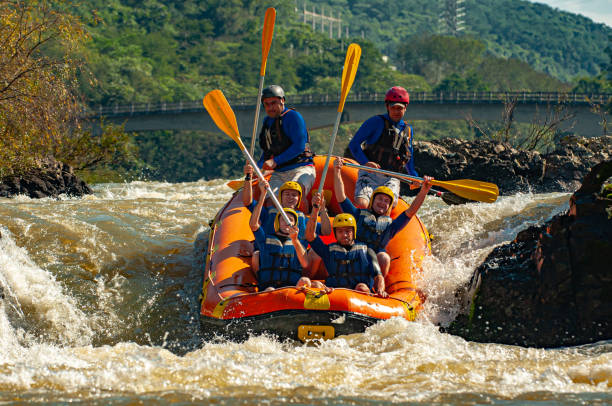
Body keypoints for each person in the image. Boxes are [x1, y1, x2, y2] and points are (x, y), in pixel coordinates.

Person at [333, 158, 433, 278]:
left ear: (389, 206)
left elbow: (411, 212)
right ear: (372, 201)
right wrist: (337, 171)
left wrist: (424, 191)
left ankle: (378, 287)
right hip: (354, 257)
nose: (382, 203)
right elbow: (341, 197)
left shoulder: (391, 226)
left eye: (386, 201)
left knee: (384, 257)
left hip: (373, 265)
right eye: (379, 199)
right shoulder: (358, 214)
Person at [346, 86, 418, 209]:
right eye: (393, 107)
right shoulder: (375, 122)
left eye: (399, 108)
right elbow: (354, 145)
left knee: (387, 207)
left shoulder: (408, 130)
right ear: (387, 106)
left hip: (392, 177)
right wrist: (366, 163)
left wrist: (414, 176)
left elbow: (408, 156)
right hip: (370, 174)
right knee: (362, 204)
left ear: (405, 108)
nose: (396, 111)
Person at [301, 209, 387, 297]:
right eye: (340, 231)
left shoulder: (367, 251)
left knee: (362, 287)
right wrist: (315, 209)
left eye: (348, 231)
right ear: (335, 234)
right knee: (316, 285)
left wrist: (380, 290)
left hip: (359, 293)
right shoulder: (328, 251)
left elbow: (378, 276)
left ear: (354, 232)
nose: (344, 235)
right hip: (334, 292)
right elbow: (310, 236)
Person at [242, 163, 331, 247]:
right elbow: (248, 202)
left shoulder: (303, 219)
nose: (290, 197)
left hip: (294, 258)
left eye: (294, 195)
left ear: (299, 200)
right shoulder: (269, 213)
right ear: (281, 197)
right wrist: (248, 177)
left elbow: (326, 231)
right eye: (287, 194)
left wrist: (322, 208)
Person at [256, 85, 315, 206]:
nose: (270, 107)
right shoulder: (267, 122)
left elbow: (299, 145)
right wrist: (257, 167)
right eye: (266, 104)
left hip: (300, 168)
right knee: (270, 203)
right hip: (279, 173)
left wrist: (275, 161)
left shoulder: (293, 117)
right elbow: (267, 151)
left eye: (274, 103)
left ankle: (305, 221)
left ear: (282, 100)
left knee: (294, 196)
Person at [249, 182, 309, 291]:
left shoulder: (297, 244)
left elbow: (305, 263)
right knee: (270, 289)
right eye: (283, 220)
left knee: (306, 281)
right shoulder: (266, 240)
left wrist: (295, 240)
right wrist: (263, 195)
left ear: (295, 225)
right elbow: (253, 225)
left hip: (291, 287)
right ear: (277, 223)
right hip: (269, 287)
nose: (287, 222)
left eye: (290, 220)